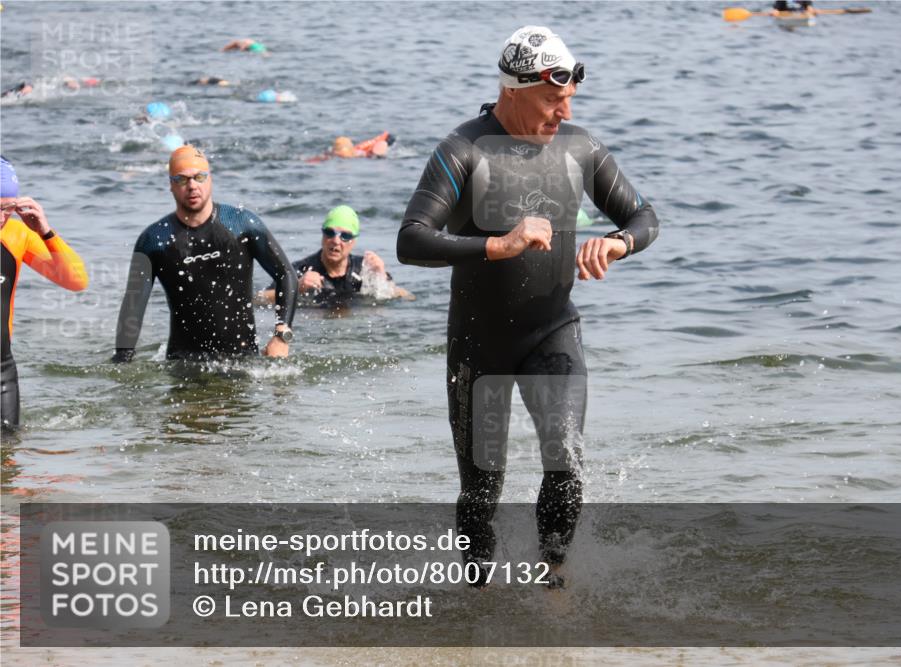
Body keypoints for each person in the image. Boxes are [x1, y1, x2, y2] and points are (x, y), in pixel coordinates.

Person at [396, 26, 658, 587]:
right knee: (481, 488)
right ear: (514, 90)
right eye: (552, 99)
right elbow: (411, 240)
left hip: (552, 331)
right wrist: (498, 244)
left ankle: (553, 580)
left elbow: (644, 218)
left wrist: (617, 242)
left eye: (569, 100)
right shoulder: (462, 150)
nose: (563, 113)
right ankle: (478, 593)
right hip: (479, 345)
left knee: (566, 461)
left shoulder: (579, 148)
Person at [113, 145, 297, 362]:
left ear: (210, 180)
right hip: (183, 364)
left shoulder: (242, 224)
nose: (192, 186)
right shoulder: (154, 241)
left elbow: (286, 274)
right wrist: (122, 360)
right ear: (171, 185)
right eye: (182, 179)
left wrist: (281, 336)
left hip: (243, 362)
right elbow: (133, 304)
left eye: (199, 177)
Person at [1, 156, 88, 431]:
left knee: (7, 461)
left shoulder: (16, 236)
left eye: (8, 209)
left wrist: (45, 232)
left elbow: (76, 280)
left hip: (1, 373)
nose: (3, 218)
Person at [257, 205, 411, 308]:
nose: (336, 241)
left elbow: (407, 297)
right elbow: (258, 299)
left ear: (354, 241)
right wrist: (297, 287)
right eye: (330, 233)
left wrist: (381, 275)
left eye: (345, 236)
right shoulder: (302, 269)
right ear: (322, 234)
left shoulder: (365, 269)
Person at [306, 132, 396, 163]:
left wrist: (378, 155)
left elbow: (383, 142)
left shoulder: (365, 153)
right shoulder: (329, 155)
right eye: (339, 155)